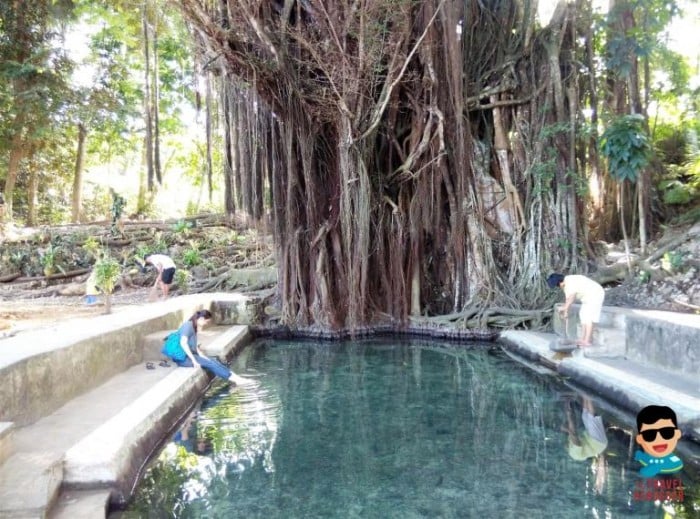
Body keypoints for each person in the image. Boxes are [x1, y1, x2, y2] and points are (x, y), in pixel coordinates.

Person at [174, 309, 255, 386]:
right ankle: (236, 380)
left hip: (189, 355)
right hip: (183, 358)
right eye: (206, 321)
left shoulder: (193, 326)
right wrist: (194, 360)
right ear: (201, 319)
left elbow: (192, 344)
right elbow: (183, 343)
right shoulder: (188, 326)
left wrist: (200, 354)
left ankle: (236, 377)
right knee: (210, 364)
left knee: (213, 360)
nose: (206, 324)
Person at [547, 273, 605, 347]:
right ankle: (582, 339)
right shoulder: (566, 286)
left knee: (589, 317)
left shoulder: (570, 281)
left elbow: (572, 297)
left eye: (558, 285)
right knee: (583, 315)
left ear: (560, 282)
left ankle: (587, 341)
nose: (559, 287)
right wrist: (565, 313)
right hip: (587, 297)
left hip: (595, 294)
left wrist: (564, 308)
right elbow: (567, 300)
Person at [634, 405, 683, 477]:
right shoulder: (645, 457)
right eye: (649, 434)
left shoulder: (674, 461)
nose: (659, 438)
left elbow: (677, 463)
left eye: (667, 432)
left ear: (677, 434)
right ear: (639, 439)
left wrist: (657, 467)